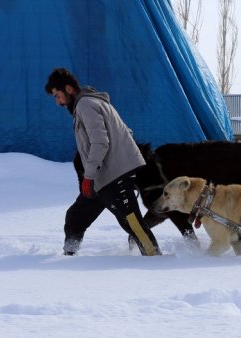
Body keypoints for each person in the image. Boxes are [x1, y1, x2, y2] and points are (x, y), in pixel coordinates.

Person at [44, 68, 161, 256]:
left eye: (58, 96)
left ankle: (155, 258)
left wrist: (88, 176)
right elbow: (126, 131)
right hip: (102, 178)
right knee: (75, 217)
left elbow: (100, 142)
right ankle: (69, 256)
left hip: (113, 177)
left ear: (68, 89)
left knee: (133, 223)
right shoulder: (93, 102)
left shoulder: (85, 105)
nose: (58, 102)